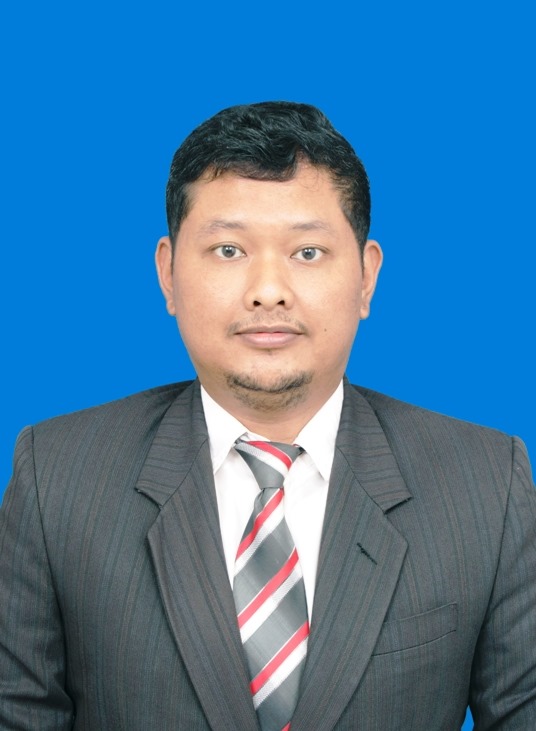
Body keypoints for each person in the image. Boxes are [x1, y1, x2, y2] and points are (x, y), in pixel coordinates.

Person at [1, 101, 535, 731]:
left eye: (307, 252)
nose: (268, 291)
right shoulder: (57, 477)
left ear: (367, 277)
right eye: (228, 249)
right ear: (168, 274)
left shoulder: (486, 484)